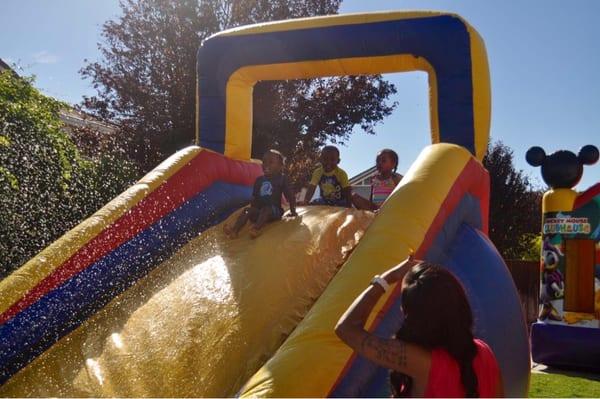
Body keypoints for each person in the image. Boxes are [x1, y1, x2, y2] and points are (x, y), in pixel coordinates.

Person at [335, 256, 503, 398]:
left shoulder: (419, 361)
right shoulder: (484, 352)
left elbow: (346, 327)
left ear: (411, 315)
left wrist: (387, 278)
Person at [223, 149, 297, 239]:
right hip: (260, 211)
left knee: (267, 209)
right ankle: (234, 230)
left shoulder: (281, 179)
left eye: (271, 162)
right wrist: (252, 211)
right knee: (247, 210)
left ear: (280, 166)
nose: (266, 165)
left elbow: (290, 195)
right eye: (264, 162)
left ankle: (256, 229)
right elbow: (255, 198)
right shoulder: (259, 180)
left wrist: (293, 212)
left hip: (275, 211)